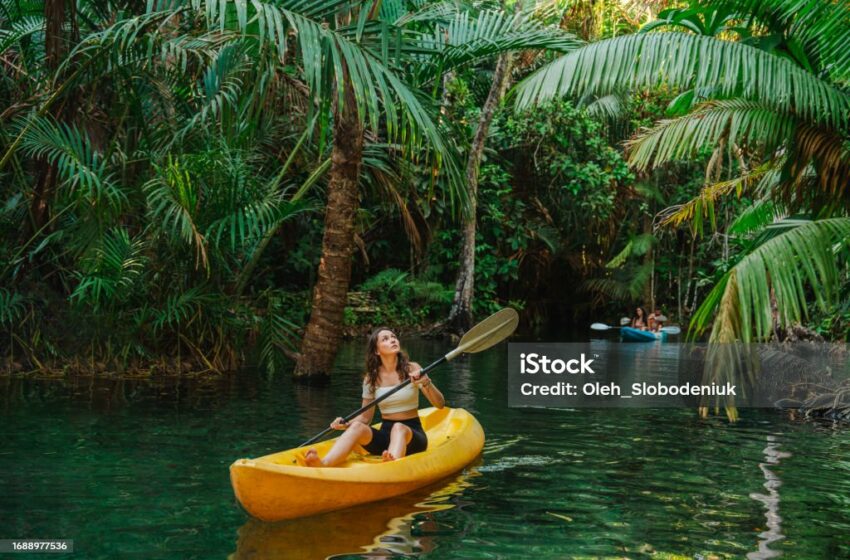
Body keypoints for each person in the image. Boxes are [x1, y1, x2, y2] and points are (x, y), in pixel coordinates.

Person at [303, 327, 445, 467]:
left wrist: (426, 382)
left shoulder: (412, 368)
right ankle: (324, 463)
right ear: (377, 351)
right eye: (385, 339)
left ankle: (390, 466)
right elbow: (365, 418)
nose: (393, 340)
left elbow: (440, 404)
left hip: (412, 436)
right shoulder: (371, 378)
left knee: (398, 428)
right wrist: (346, 423)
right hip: (385, 437)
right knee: (357, 426)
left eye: (393, 337)